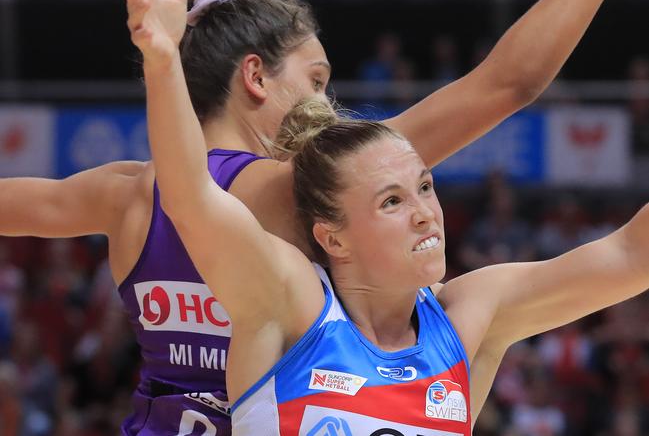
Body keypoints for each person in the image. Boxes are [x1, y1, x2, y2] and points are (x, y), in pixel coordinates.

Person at [0, 0, 632, 433]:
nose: (327, 106)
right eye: (317, 79)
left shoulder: (123, 193)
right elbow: (509, 84)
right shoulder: (314, 184)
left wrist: (160, 61)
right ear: (255, 77)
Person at [148, 90, 649, 434]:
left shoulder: (468, 316)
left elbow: (630, 255)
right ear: (333, 238)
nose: (425, 214)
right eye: (392, 202)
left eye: (425, 188)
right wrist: (161, 53)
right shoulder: (291, 302)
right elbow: (189, 198)